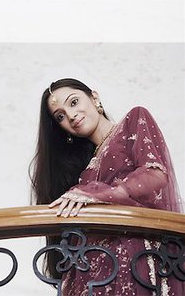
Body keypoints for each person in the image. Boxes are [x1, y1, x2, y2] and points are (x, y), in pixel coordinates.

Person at [29, 78, 183, 295]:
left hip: (134, 259)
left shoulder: (134, 119)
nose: (71, 116)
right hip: (93, 270)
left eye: (73, 102)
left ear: (94, 97)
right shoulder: (84, 172)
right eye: (60, 116)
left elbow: (155, 174)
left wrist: (100, 193)